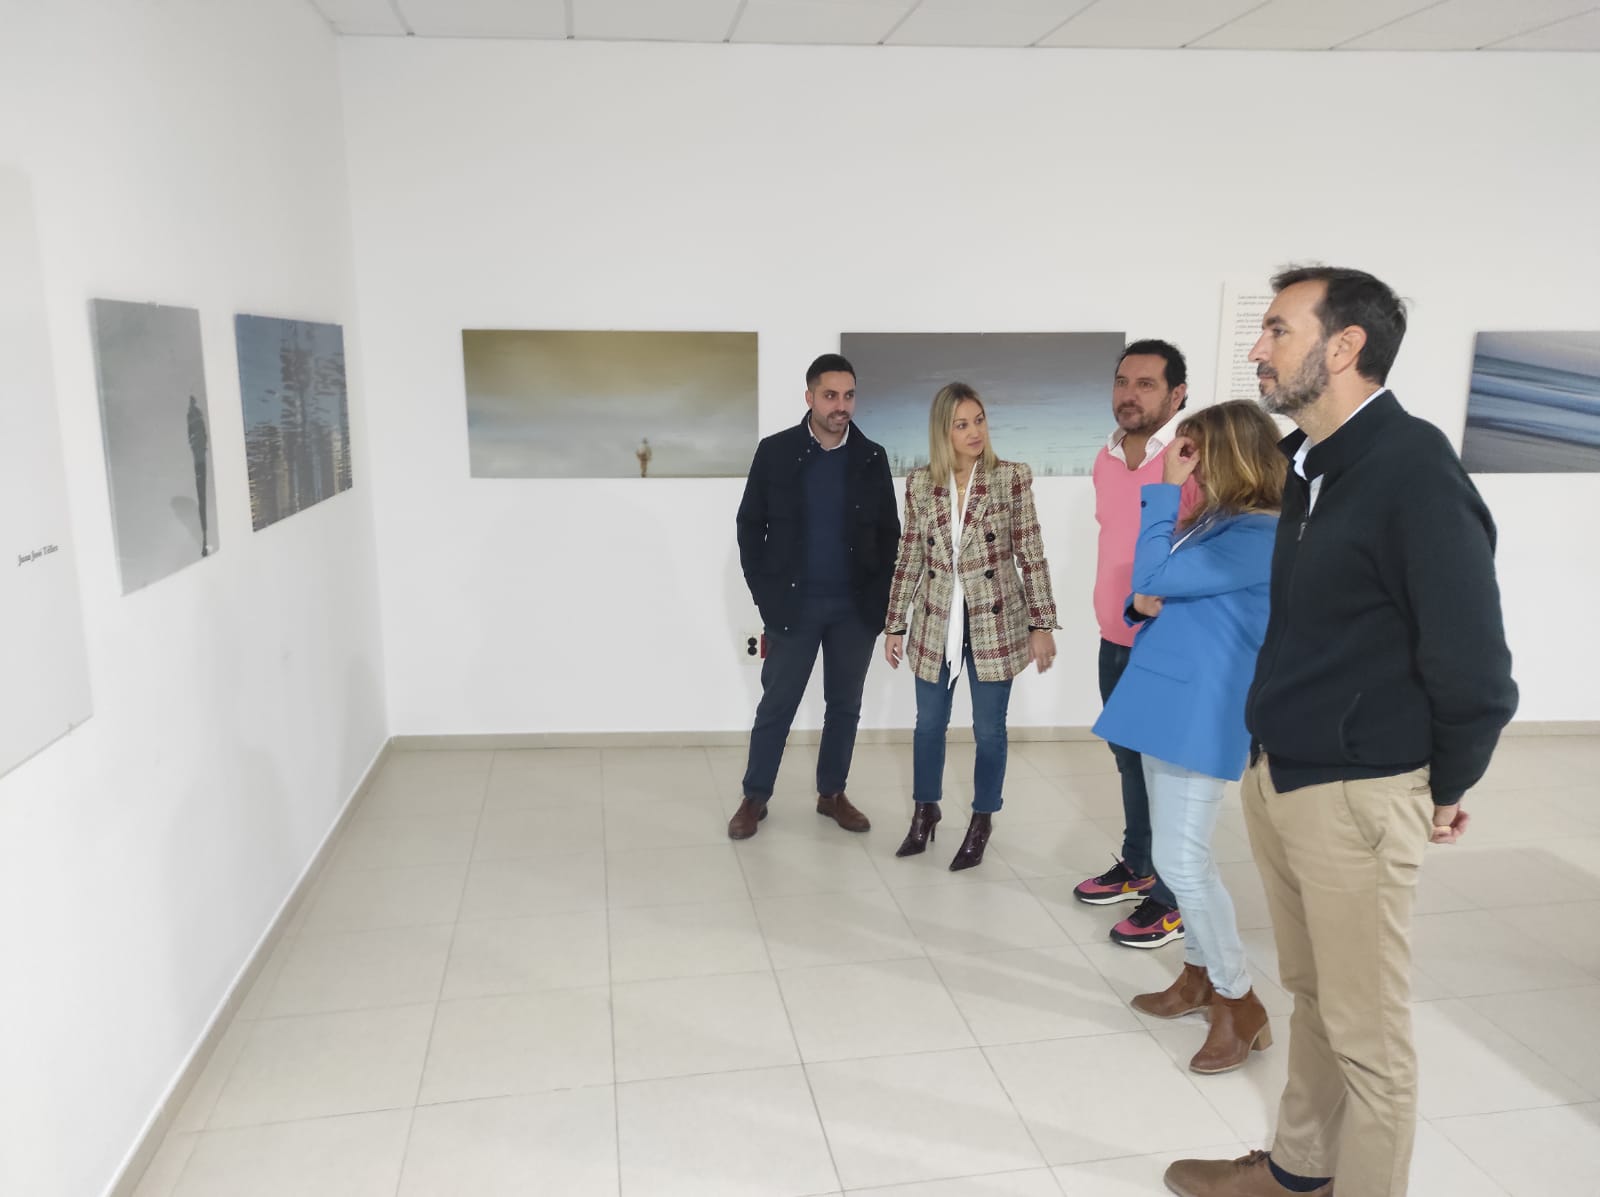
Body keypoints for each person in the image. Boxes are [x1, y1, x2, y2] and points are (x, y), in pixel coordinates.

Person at [1164, 266, 1517, 1197]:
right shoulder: (1311, 467)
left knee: (1368, 1034)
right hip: (1287, 775)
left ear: (1344, 346)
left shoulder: (1413, 471)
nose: (1256, 349)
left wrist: (1444, 784)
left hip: (1359, 790)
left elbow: (1476, 665)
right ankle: (1295, 1171)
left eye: (1277, 330)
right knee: (1315, 999)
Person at [1093, 400, 1284, 1076]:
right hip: (1165, 699)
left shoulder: (1259, 531)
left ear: (1226, 455)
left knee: (1182, 861)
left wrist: (1164, 491)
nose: (1182, 460)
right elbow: (1152, 595)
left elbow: (1152, 579)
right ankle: (1200, 975)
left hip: (1200, 710)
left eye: (1193, 451)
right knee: (1178, 858)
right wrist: (1145, 593)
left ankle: (1240, 997)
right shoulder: (1221, 522)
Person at [883, 382, 1059, 870]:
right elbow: (909, 558)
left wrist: (1042, 624)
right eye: (962, 424)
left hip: (995, 621)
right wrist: (895, 624)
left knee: (989, 731)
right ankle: (926, 810)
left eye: (979, 420)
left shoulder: (1011, 478)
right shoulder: (921, 484)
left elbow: (1032, 554)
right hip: (936, 620)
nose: (974, 431)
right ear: (944, 431)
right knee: (928, 726)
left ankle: (982, 818)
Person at [730, 354, 901, 840]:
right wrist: (765, 596)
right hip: (793, 606)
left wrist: (881, 602)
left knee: (844, 705)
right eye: (830, 396)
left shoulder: (872, 457)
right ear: (809, 398)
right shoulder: (776, 452)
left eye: (848, 396)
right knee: (777, 704)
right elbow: (749, 527)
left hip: (854, 611)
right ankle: (755, 796)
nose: (840, 406)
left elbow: (890, 534)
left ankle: (832, 793)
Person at [1074, 341, 1202, 948]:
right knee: (1128, 761)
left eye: (1147, 384)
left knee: (1169, 775)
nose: (1130, 393)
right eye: (1123, 381)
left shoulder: (1192, 457)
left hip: (1167, 642)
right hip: (1113, 634)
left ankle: (1173, 900)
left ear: (1177, 394)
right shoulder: (1105, 458)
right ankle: (1139, 866)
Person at [186, 395, 210, 558]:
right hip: (199, 455)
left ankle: (204, 539)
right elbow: (198, 434)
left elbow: (195, 434)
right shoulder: (196, 415)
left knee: (201, 492)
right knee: (202, 493)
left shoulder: (193, 415)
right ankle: (204, 538)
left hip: (199, 455)